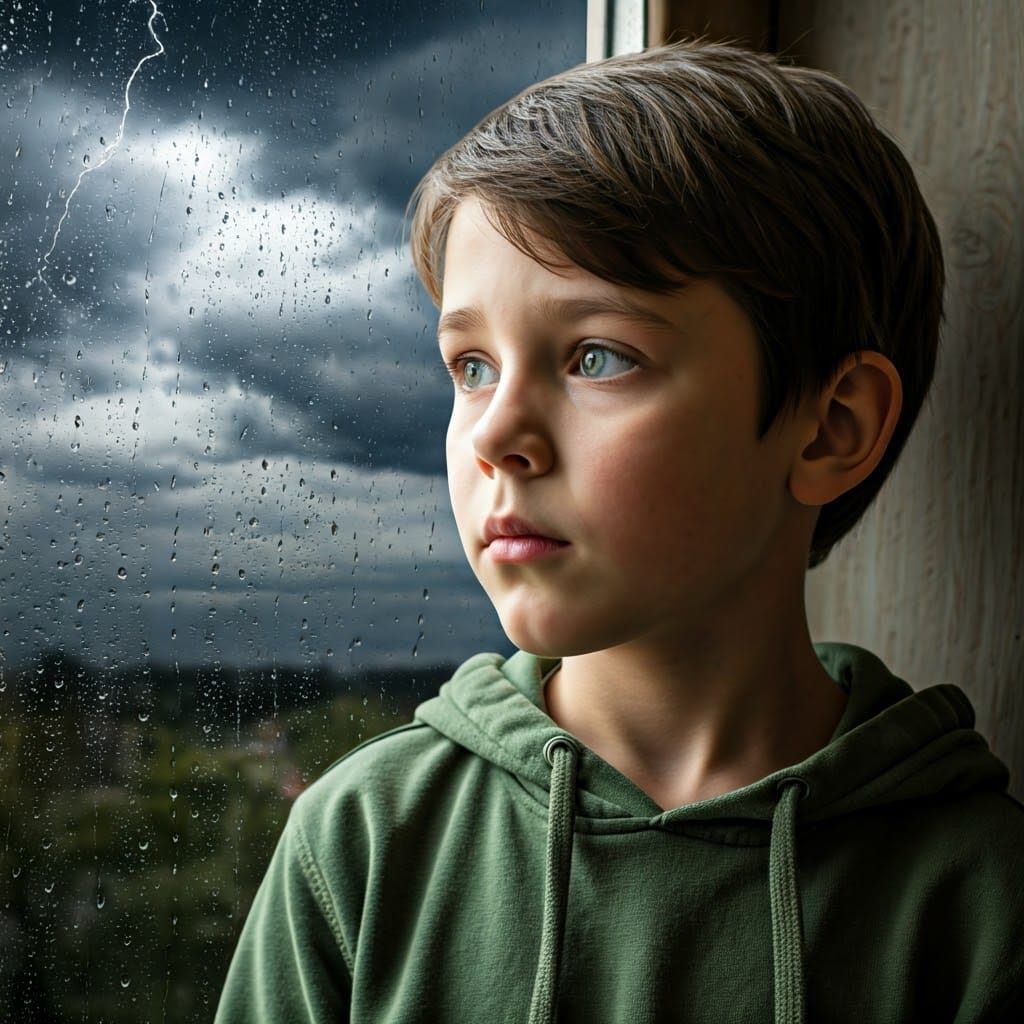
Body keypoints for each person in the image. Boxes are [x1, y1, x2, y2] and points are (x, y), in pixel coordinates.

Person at [214, 39, 1024, 1023]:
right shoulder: (363, 843)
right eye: (470, 366)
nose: (497, 434)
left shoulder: (979, 901)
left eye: (596, 355)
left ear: (831, 426)